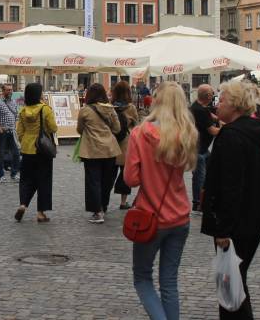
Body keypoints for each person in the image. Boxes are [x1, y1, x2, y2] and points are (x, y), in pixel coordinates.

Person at [201, 80, 260, 319]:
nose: (217, 104)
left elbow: (230, 186)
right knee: (236, 278)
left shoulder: (231, 136)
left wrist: (223, 229)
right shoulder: (257, 131)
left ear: (234, 105)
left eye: (222, 100)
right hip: (255, 217)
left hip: (235, 223)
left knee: (230, 281)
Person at [125, 81, 197, 320]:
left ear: (156, 101)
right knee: (169, 281)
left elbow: (131, 179)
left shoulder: (140, 134)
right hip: (180, 217)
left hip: (151, 217)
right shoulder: (185, 133)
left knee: (142, 278)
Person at [76, 83, 120, 224]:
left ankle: (97, 211)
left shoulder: (85, 110)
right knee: (106, 181)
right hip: (109, 149)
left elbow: (79, 129)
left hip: (92, 150)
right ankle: (103, 206)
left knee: (93, 181)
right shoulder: (110, 109)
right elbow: (117, 128)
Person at [14, 83, 57, 223]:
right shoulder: (45, 109)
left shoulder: (23, 111)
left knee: (26, 179)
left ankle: (23, 204)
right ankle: (40, 213)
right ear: (39, 94)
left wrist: (26, 141)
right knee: (44, 180)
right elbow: (53, 128)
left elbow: (19, 132)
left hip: (27, 149)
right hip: (42, 150)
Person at [190, 84, 220, 213]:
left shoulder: (199, 106)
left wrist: (220, 119)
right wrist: (230, 128)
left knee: (209, 174)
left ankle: (205, 199)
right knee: (200, 178)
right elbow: (212, 131)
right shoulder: (200, 110)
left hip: (202, 148)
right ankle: (198, 203)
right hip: (199, 150)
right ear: (208, 96)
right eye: (212, 93)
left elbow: (214, 117)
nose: (213, 95)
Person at [111, 81, 139, 210]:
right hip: (126, 143)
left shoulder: (110, 106)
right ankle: (123, 202)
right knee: (125, 173)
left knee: (109, 173)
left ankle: (104, 200)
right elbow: (136, 125)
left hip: (112, 143)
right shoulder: (131, 107)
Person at [0, 84, 20, 183]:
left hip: (12, 131)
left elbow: (16, 116)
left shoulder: (14, 102)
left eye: (11, 90)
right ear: (3, 91)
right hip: (2, 132)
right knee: (1, 154)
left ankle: (14, 174)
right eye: (8, 90)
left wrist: (15, 128)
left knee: (16, 153)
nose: (10, 92)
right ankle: (1, 175)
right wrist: (0, 129)